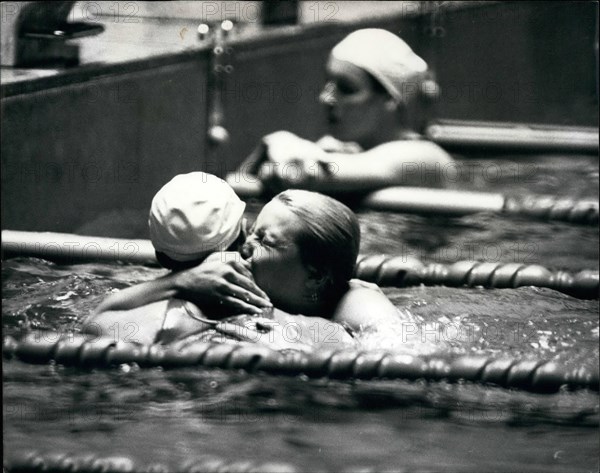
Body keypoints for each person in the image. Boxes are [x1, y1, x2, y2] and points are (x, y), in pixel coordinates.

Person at [84, 189, 400, 347]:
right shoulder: (208, 306)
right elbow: (94, 326)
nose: (245, 247)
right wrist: (181, 282)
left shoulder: (358, 301)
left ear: (315, 275)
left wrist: (309, 335)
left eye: (264, 240)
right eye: (250, 232)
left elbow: (399, 355)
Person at [230, 28, 453, 193]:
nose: (326, 98)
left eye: (346, 88)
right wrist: (267, 148)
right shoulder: (341, 151)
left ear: (390, 100)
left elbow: (301, 176)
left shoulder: (424, 158)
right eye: (328, 83)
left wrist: (279, 140)